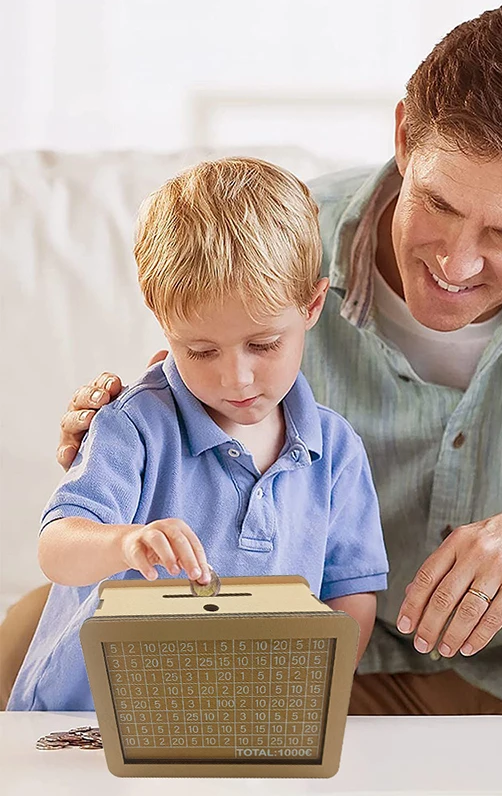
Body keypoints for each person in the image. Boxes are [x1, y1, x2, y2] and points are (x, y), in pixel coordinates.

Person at [8, 1, 502, 793]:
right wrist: (124, 416)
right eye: (442, 205)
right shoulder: (280, 245)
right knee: (36, 632)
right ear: (402, 138)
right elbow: (189, 385)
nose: (455, 263)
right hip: (323, 667)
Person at [6, 157, 389, 711]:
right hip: (89, 722)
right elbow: (57, 547)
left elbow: (349, 592)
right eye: (201, 351)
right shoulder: (133, 425)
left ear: (310, 307)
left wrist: (311, 688)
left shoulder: (336, 452)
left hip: (239, 723)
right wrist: (123, 543)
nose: (236, 378)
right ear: (164, 326)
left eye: (263, 345)